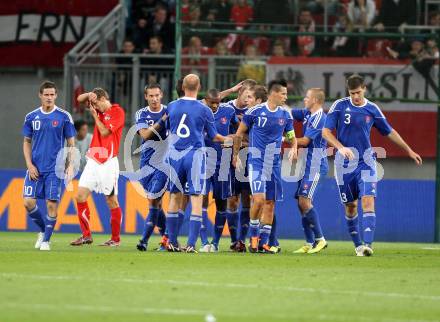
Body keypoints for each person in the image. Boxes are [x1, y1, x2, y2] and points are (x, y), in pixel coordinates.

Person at [322, 74, 422, 256]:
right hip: (344, 165)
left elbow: (390, 132)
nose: (355, 97)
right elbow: (326, 132)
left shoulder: (372, 109)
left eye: (358, 92)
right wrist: (340, 147)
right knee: (351, 206)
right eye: (352, 93)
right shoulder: (340, 106)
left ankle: (368, 245)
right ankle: (358, 245)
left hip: (367, 162)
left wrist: (409, 150)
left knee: (368, 200)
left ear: (365, 88)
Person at [165, 74, 232, 253]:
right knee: (196, 199)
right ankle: (191, 244)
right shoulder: (205, 110)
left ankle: (171, 241)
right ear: (199, 86)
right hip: (195, 156)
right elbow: (214, 136)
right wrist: (230, 139)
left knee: (174, 197)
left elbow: (168, 130)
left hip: (175, 155)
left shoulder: (171, 106)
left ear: (183, 86)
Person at [233, 80, 298, 253]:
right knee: (259, 199)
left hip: (274, 164)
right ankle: (253, 237)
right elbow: (239, 134)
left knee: (270, 203)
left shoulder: (285, 115)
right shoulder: (254, 112)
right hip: (257, 162)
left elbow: (292, 136)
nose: (286, 97)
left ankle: (263, 243)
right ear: (273, 94)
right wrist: (235, 156)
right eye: (283, 93)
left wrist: (294, 148)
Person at [22, 81, 76, 251]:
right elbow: (26, 142)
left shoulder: (64, 116)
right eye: (46, 94)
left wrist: (70, 165)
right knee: (28, 202)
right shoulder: (31, 117)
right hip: (36, 168)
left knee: (52, 205)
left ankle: (46, 241)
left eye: (52, 94)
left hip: (55, 168)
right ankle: (42, 230)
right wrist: (29, 165)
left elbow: (71, 144)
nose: (49, 97)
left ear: (56, 96)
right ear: (40, 95)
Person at [70, 88, 126, 247]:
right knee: (80, 196)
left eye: (95, 103)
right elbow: (80, 99)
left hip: (108, 161)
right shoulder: (97, 107)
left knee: (111, 200)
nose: (93, 107)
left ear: (103, 99)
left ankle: (115, 239)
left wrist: (95, 115)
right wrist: (89, 95)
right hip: (93, 160)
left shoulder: (117, 111)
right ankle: (86, 235)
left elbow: (105, 132)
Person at [199, 89, 238, 252]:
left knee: (222, 203)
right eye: (211, 102)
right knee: (200, 201)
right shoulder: (199, 111)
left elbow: (238, 133)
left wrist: (235, 153)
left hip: (222, 164)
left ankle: (215, 243)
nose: (215, 106)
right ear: (205, 100)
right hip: (202, 162)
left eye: (217, 102)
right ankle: (203, 242)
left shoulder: (229, 111)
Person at [291, 88, 328, 254]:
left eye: (307, 97)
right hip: (306, 165)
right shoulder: (307, 113)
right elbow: (288, 112)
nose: (304, 99)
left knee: (304, 201)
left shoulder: (319, 118)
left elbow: (305, 141)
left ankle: (320, 239)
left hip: (316, 165)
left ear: (315, 100)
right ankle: (309, 242)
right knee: (301, 203)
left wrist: (282, 138)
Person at [222, 79, 257, 252]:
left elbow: (255, 138)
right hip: (229, 158)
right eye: (246, 95)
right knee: (232, 199)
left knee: (247, 199)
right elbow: (208, 102)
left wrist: (242, 142)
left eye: (252, 96)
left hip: (249, 156)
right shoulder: (228, 107)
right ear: (239, 92)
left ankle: (241, 240)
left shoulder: (256, 110)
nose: (248, 99)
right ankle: (234, 240)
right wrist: (230, 89)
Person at [135, 84, 169, 251]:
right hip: (145, 164)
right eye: (151, 96)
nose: (155, 99)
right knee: (157, 203)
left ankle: (144, 240)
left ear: (161, 95)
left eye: (157, 95)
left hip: (164, 163)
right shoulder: (141, 113)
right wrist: (162, 121)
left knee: (153, 199)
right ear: (146, 97)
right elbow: (145, 135)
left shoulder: (170, 110)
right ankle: (166, 238)